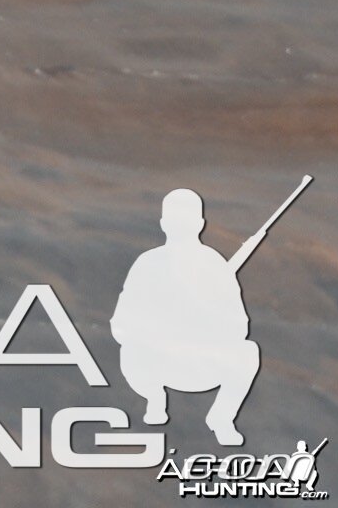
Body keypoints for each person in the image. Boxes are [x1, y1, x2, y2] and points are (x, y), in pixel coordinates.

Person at [113, 185, 270, 445]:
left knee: (247, 352)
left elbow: (239, 328)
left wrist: (205, 318)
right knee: (131, 350)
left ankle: (222, 417)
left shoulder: (215, 265)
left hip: (202, 365)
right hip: (155, 363)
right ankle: (154, 399)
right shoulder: (147, 264)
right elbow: (121, 326)